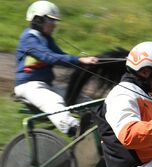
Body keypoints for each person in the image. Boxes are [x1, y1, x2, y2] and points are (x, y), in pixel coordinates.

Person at [14, 1, 98, 137]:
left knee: (78, 97)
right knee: (53, 101)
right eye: (51, 20)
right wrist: (79, 60)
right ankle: (74, 129)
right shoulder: (28, 38)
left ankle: (99, 122)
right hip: (28, 86)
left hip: (46, 85)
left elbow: (61, 56)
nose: (54, 24)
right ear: (38, 20)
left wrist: (86, 62)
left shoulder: (46, 39)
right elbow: (49, 57)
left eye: (55, 21)